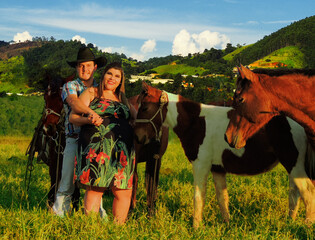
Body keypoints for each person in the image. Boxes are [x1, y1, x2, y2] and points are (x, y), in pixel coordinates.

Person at [70, 62, 136, 224]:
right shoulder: (92, 92)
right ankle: (91, 229)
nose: (112, 78)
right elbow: (73, 118)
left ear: (121, 81)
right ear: (103, 75)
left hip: (123, 150)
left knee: (124, 191)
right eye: (109, 74)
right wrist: (89, 118)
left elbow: (135, 118)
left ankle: (117, 230)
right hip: (97, 147)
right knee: (96, 188)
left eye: (117, 76)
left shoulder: (123, 98)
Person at [52, 46, 107, 217]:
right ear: (76, 68)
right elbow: (74, 104)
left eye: (88, 65)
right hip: (74, 138)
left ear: (95, 67)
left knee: (96, 181)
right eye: (81, 66)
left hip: (96, 141)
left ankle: (97, 213)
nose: (85, 69)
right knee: (67, 179)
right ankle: (60, 212)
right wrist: (92, 113)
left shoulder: (102, 89)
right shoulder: (70, 86)